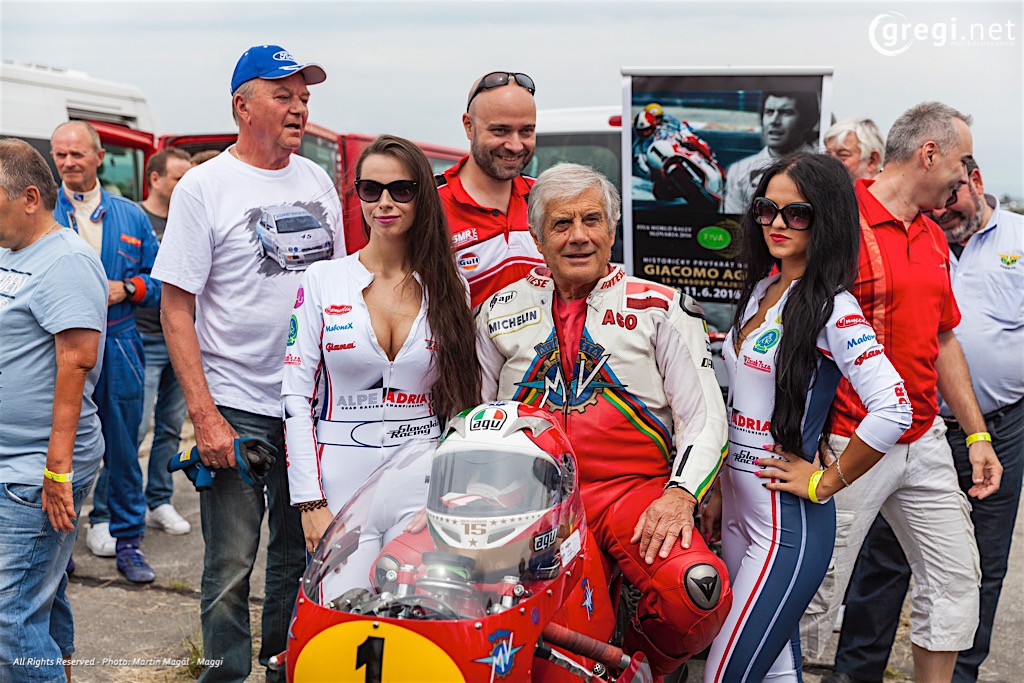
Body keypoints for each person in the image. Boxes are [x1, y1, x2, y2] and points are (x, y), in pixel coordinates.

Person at [476, 163, 732, 676]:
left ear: (612, 230)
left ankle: (633, 666)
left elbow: (704, 418)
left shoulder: (661, 307)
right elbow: (473, 418)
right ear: (536, 237)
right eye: (561, 224)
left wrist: (681, 496)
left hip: (632, 494)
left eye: (591, 220)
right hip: (530, 499)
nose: (579, 236)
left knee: (698, 593)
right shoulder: (496, 310)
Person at [152, 45, 343, 683]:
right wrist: (204, 417)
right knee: (231, 566)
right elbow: (176, 309)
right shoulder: (204, 187)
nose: (299, 107)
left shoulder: (316, 181)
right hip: (235, 406)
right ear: (242, 106)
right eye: (283, 95)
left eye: (304, 97)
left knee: (299, 557)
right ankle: (224, 674)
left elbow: (338, 289)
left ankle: (282, 669)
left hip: (308, 406)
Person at [799, 102, 1002, 683]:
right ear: (928, 154)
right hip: (850, 443)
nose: (967, 176)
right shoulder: (839, 223)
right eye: (962, 161)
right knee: (814, 593)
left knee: (955, 583)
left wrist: (978, 435)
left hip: (924, 440)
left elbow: (943, 338)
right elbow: (793, 334)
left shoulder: (933, 235)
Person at [699, 153, 912, 682]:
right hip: (737, 515)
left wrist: (825, 481)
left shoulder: (834, 309)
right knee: (776, 672)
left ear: (828, 220)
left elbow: (894, 407)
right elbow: (738, 402)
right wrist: (719, 485)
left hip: (785, 529)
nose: (777, 223)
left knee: (723, 674)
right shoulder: (760, 291)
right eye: (767, 209)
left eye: (797, 213)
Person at [282, 134, 479, 574]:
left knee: (414, 605)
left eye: (401, 190)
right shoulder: (322, 279)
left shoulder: (451, 286)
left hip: (421, 475)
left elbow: (461, 403)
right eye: (371, 189)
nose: (384, 203)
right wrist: (309, 501)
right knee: (340, 605)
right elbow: (295, 396)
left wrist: (450, 490)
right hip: (340, 478)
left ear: (422, 196)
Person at [0, 138, 107, 683]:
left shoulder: (67, 261)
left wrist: (56, 471)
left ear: (29, 198)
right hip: (12, 459)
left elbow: (77, 362)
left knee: (7, 616)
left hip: (35, 469)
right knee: (42, 590)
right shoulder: (9, 251)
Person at [50, 120, 162, 583]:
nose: (68, 162)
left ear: (99, 156)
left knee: (123, 445)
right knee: (60, 445)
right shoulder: (41, 210)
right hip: (57, 346)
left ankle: (128, 539)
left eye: (77, 154)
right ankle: (58, 546)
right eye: (60, 155)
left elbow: (162, 282)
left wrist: (129, 288)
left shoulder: (130, 216)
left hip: (119, 341)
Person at [126, 148, 194, 535]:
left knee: (169, 427)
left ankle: (159, 500)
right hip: (145, 337)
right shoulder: (137, 218)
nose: (186, 185)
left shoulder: (189, 219)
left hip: (183, 340)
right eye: (178, 178)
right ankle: (118, 509)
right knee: (133, 429)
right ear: (154, 179)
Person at [437, 71, 544, 308]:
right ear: (469, 126)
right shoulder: (430, 203)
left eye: (526, 131)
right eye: (500, 131)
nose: (515, 145)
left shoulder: (546, 197)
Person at [723, 91, 819, 214]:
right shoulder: (738, 171)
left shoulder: (821, 168)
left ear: (808, 121)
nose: (774, 121)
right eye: (769, 112)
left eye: (786, 113)